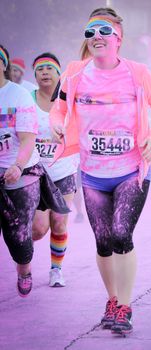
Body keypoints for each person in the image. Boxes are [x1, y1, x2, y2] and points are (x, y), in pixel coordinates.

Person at [50, 7, 151, 335]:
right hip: (91, 173)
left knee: (120, 234)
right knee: (103, 241)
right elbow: (58, 108)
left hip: (131, 170)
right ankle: (113, 300)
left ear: (119, 38)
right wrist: (57, 125)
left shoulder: (138, 73)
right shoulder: (73, 73)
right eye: (90, 32)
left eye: (104, 31)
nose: (96, 37)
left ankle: (126, 306)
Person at [31, 53, 78, 287]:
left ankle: (56, 270)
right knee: (38, 229)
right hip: (33, 175)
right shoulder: (26, 101)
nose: (45, 73)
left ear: (59, 73)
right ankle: (22, 259)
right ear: (35, 75)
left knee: (59, 223)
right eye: (40, 69)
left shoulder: (68, 101)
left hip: (63, 172)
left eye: (50, 68)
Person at [0, 45, 40, 297]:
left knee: (18, 235)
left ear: (3, 64)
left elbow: (27, 139)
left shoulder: (18, 95)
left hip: (19, 173)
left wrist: (17, 165)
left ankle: (24, 269)